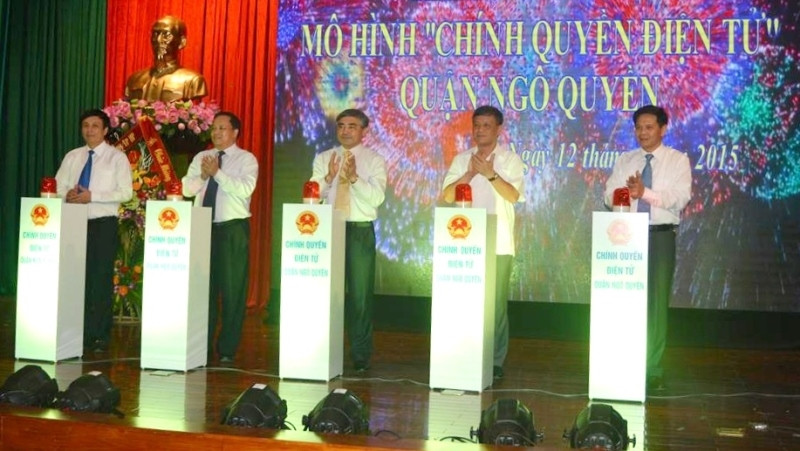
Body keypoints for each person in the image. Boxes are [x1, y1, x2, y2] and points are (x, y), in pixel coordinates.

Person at [604, 105, 692, 392]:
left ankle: (652, 367)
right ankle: (623, 360)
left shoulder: (677, 160)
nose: (643, 132)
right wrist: (624, 194)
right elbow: (608, 195)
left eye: (649, 127)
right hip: (625, 236)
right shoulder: (627, 160)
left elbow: (680, 198)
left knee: (655, 304)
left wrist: (645, 194)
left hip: (659, 236)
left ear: (663, 128)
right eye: (639, 127)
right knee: (624, 299)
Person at [442, 105, 525, 380]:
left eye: (486, 125)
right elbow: (447, 197)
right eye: (477, 125)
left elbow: (513, 196)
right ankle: (466, 353)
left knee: (496, 304)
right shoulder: (462, 159)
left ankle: (496, 360)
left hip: (498, 242)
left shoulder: (510, 160)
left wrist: (490, 173)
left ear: (499, 129)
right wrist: (469, 174)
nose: (480, 130)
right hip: (465, 242)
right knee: (466, 301)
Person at [310, 108, 387, 373]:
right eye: (341, 125)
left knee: (360, 296)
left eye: (352, 126)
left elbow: (376, 199)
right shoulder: (324, 158)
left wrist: (353, 177)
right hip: (328, 228)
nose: (345, 130)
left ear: (364, 131)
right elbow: (312, 195)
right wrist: (329, 178)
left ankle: (360, 355)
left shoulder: (375, 160)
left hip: (359, 230)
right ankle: (323, 349)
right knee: (326, 293)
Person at [55, 109, 133, 353]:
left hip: (102, 225)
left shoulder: (116, 158)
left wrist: (93, 197)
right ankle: (78, 333)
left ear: (105, 130)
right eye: (86, 125)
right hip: (73, 223)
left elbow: (125, 193)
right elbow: (58, 186)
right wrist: (66, 194)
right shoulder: (72, 157)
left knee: (99, 281)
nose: (89, 130)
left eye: (95, 126)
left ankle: (99, 335)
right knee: (77, 279)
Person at [182, 112, 258, 363]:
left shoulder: (246, 159)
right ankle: (200, 345)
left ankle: (226, 349)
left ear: (235, 132)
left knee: (233, 290)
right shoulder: (201, 158)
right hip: (202, 227)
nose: (216, 133)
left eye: (222, 128)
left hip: (232, 229)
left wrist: (217, 174)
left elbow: (245, 189)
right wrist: (204, 175)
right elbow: (185, 188)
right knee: (203, 289)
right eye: (213, 128)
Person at [125, 15, 208, 102]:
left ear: (182, 42)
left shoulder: (193, 81)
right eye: (155, 34)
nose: (158, 40)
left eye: (166, 35)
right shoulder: (134, 79)